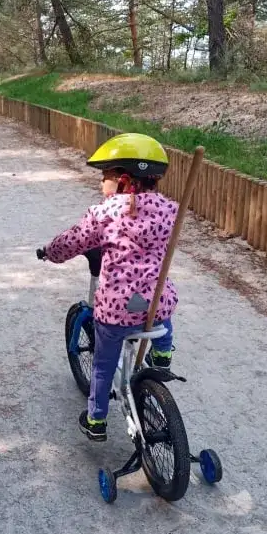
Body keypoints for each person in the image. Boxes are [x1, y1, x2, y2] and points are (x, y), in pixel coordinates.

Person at [39, 133, 177, 442]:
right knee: (161, 306)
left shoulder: (104, 213)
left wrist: (50, 252)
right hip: (155, 303)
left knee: (103, 366)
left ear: (123, 180)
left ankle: (96, 420)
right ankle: (162, 354)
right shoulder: (171, 211)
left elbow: (72, 241)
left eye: (105, 176)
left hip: (118, 310)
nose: (102, 182)